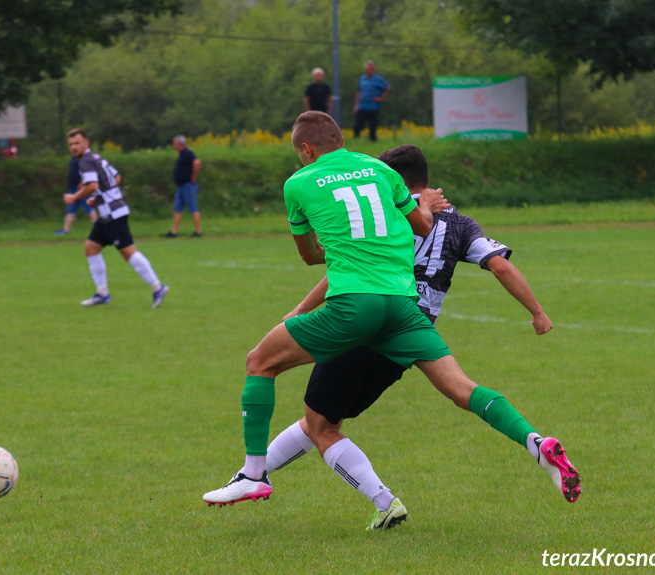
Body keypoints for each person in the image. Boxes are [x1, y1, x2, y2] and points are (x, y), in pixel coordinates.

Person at [202, 113, 580, 532]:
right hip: (406, 312)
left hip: (355, 313)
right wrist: (537, 313)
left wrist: (336, 251)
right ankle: (536, 443)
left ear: (306, 150)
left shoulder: (301, 182)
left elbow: (313, 258)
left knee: (267, 370)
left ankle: (257, 476)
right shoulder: (395, 182)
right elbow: (432, 230)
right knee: (462, 390)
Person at [64, 128, 169, 308]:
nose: (74, 147)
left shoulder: (86, 162)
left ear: (86, 144)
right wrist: (100, 198)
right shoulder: (96, 158)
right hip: (107, 214)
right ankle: (102, 294)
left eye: (77, 143)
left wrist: (74, 197)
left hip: (114, 215)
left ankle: (158, 287)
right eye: (71, 144)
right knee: (91, 248)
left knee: (129, 254)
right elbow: (115, 177)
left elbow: (93, 185)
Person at [163, 135, 202, 238]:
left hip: (188, 186)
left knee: (193, 208)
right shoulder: (181, 154)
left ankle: (198, 232)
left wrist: (193, 178)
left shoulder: (187, 153)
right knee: (177, 208)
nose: (173, 145)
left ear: (179, 144)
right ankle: (174, 232)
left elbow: (197, 162)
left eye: (174, 143)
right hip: (181, 186)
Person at [54, 155, 97, 235]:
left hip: (81, 189)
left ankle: (98, 229)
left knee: (89, 209)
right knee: (70, 209)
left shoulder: (82, 158)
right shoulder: (75, 158)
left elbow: (87, 171)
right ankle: (66, 230)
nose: (73, 147)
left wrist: (83, 183)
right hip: (72, 188)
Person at [353, 60, 391, 142]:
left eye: (371, 68)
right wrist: (356, 105)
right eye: (368, 68)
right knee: (357, 125)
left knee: (372, 125)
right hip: (362, 106)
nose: (370, 70)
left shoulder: (378, 79)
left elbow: (388, 88)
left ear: (374, 69)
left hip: (373, 106)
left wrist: (381, 98)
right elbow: (358, 92)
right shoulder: (362, 78)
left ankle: (373, 140)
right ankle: (356, 140)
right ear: (365, 69)